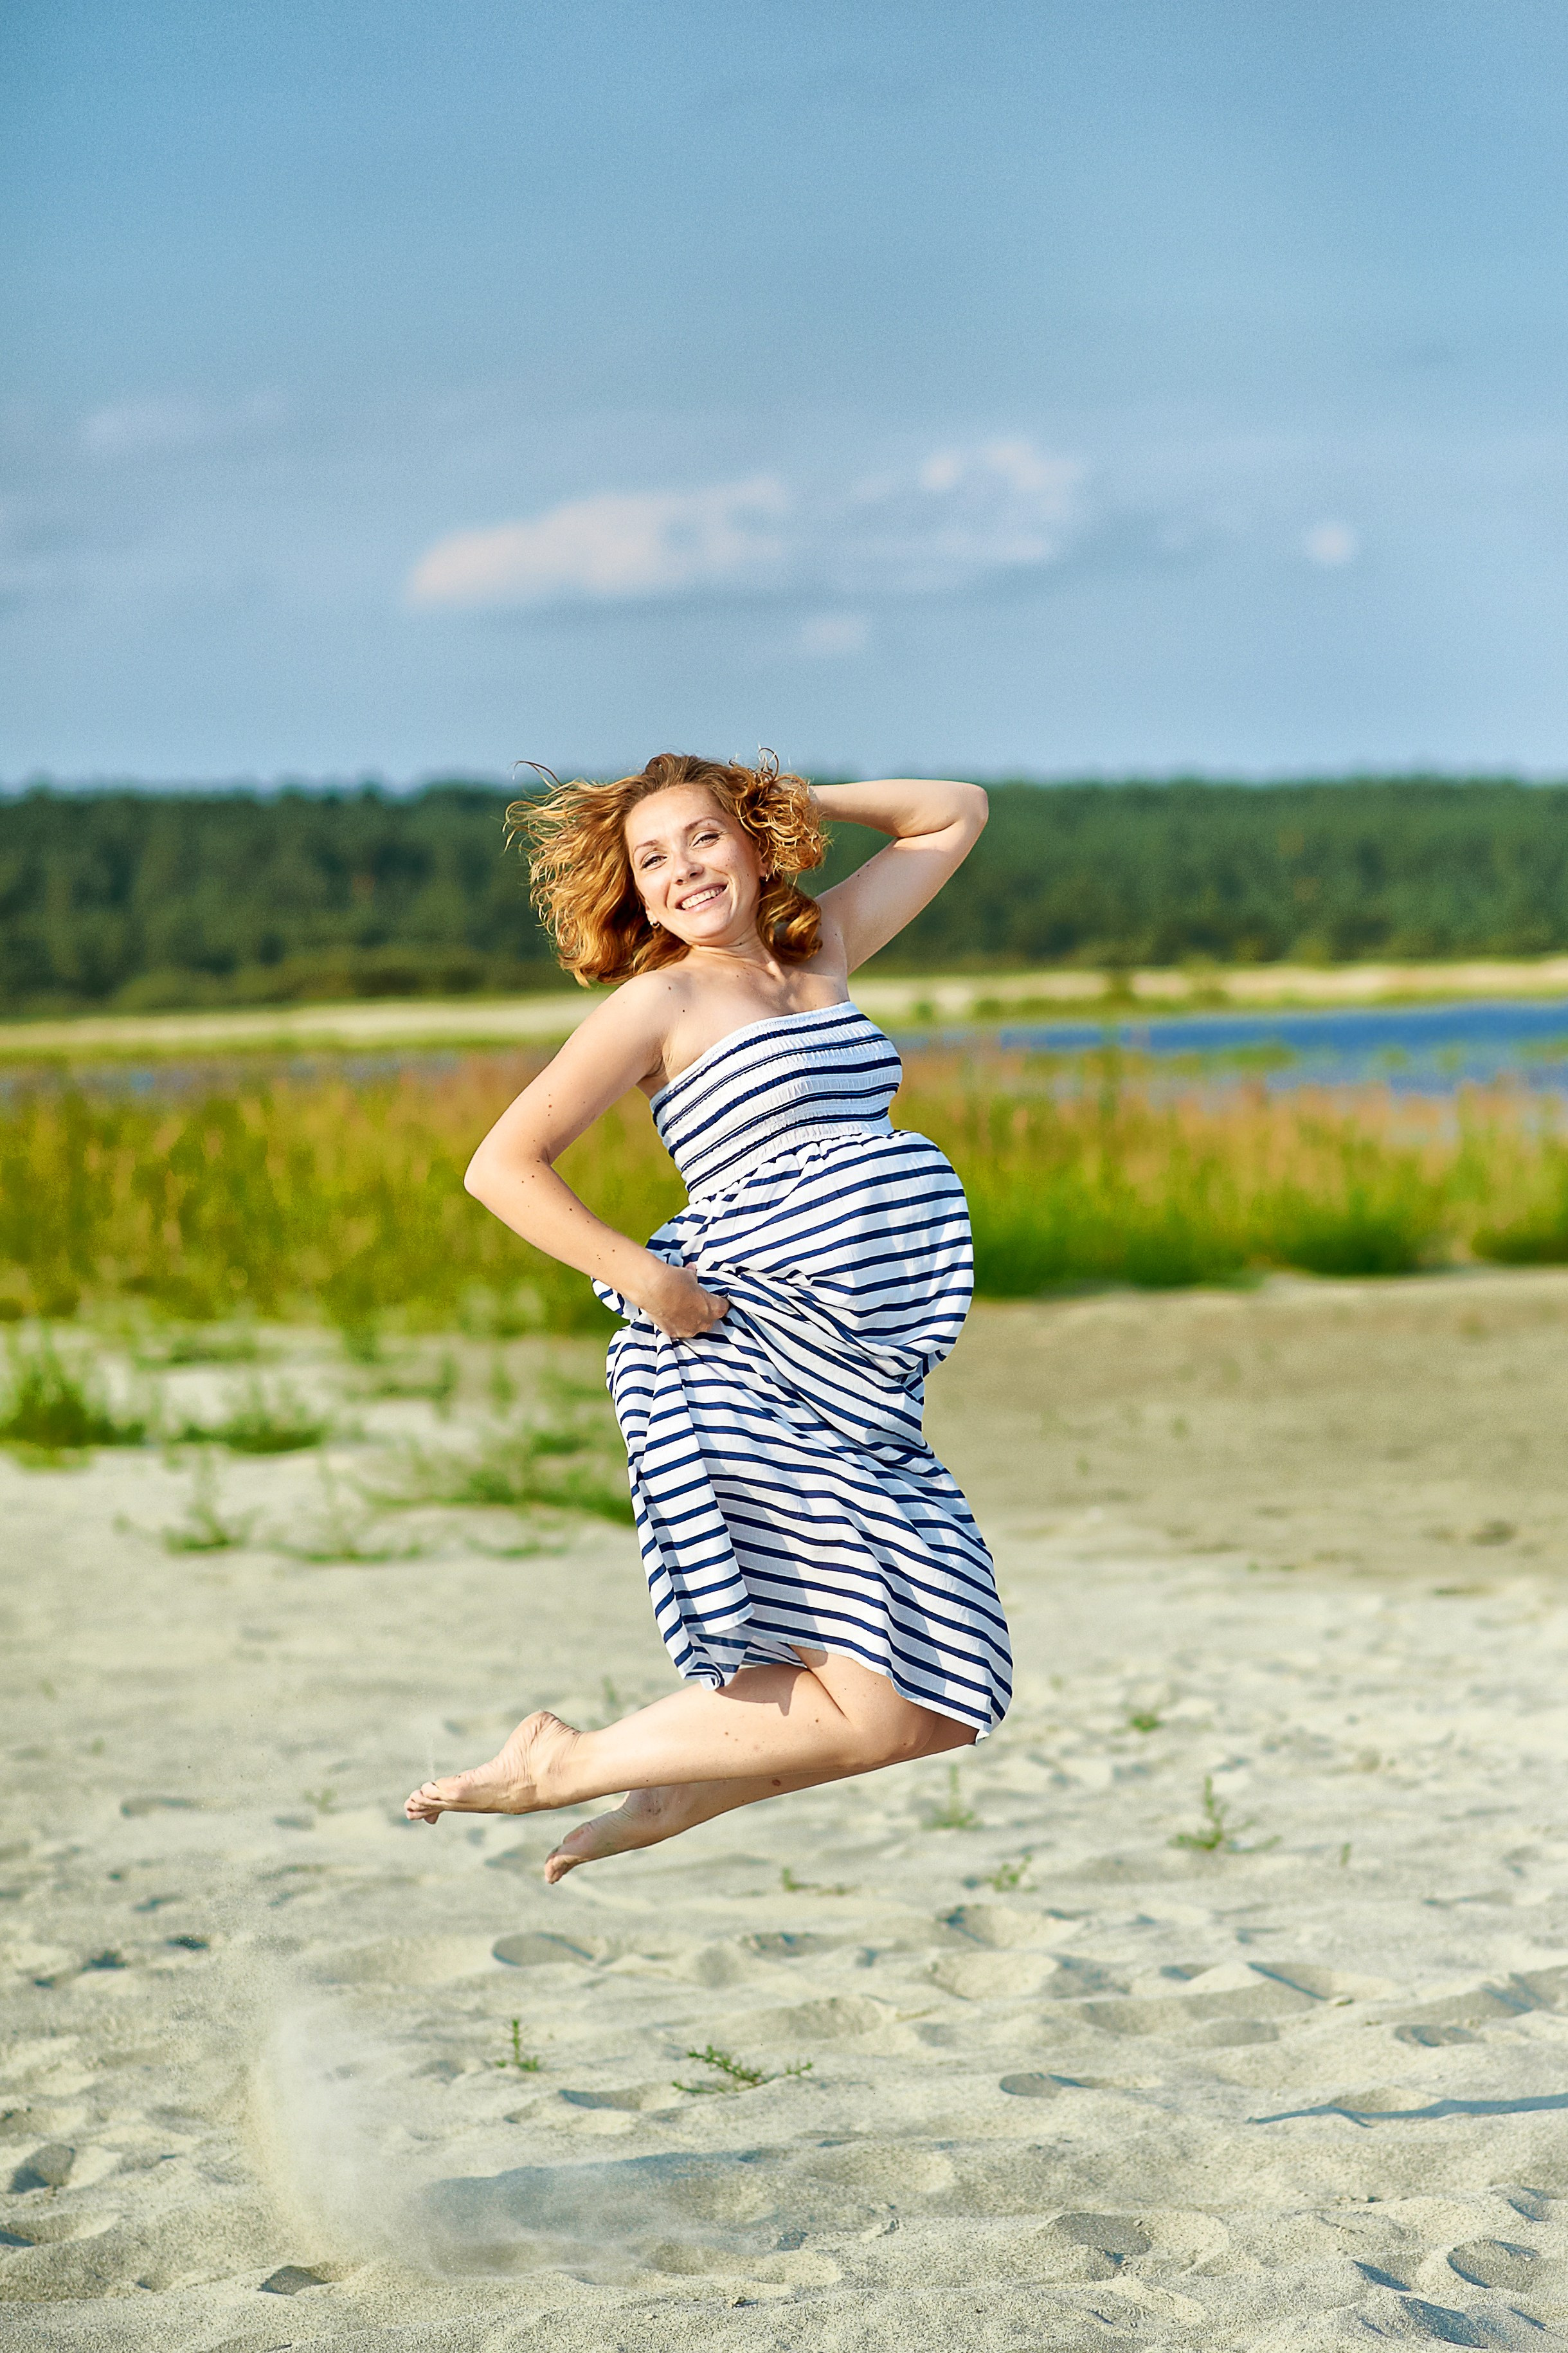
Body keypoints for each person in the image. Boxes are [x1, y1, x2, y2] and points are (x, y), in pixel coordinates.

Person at [404, 751, 1013, 1878]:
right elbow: (504, 1166)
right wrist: (647, 1281)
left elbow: (953, 814)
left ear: (749, 840)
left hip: (851, 1366)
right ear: (634, 893)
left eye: (705, 837)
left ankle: (674, 1792)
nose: (683, 869)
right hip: (733, 1353)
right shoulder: (663, 1001)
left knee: (946, 1694)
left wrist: (786, 795)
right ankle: (567, 1763)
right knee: (877, 1698)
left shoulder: (819, 949)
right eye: (652, 858)